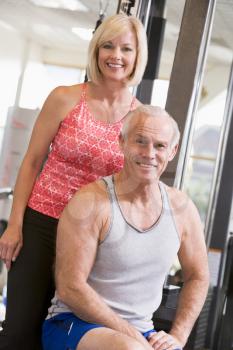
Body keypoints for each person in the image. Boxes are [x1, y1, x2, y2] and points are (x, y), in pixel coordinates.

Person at [0, 14, 148, 350]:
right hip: (41, 224)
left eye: (126, 48)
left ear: (138, 57)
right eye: (108, 45)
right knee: (20, 328)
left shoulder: (140, 118)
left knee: (63, 332)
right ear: (96, 50)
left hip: (92, 238)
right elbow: (32, 162)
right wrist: (15, 224)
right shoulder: (65, 98)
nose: (116, 55)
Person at [42, 105, 210, 350]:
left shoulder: (182, 208)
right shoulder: (90, 202)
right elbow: (70, 287)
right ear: (122, 142)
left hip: (140, 332)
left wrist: (178, 337)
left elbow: (198, 276)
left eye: (160, 145)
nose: (149, 153)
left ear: (173, 151)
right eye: (140, 141)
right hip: (73, 323)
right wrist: (131, 335)